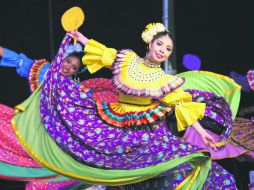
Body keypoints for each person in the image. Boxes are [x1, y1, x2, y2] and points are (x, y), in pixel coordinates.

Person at [10, 23, 239, 189]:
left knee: (183, 159)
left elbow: (180, 105)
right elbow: (104, 53)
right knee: (94, 155)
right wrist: (80, 37)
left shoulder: (165, 80)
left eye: (167, 49)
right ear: (150, 43)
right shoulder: (127, 60)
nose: (162, 50)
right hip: (115, 123)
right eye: (159, 44)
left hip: (146, 131)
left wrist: (202, 133)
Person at [0, 43, 90, 189]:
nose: (68, 67)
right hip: (28, 127)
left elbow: (89, 111)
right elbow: (17, 59)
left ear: (76, 73)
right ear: (62, 58)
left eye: (74, 67)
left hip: (51, 140)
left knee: (47, 179)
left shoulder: (75, 91)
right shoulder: (43, 70)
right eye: (68, 61)